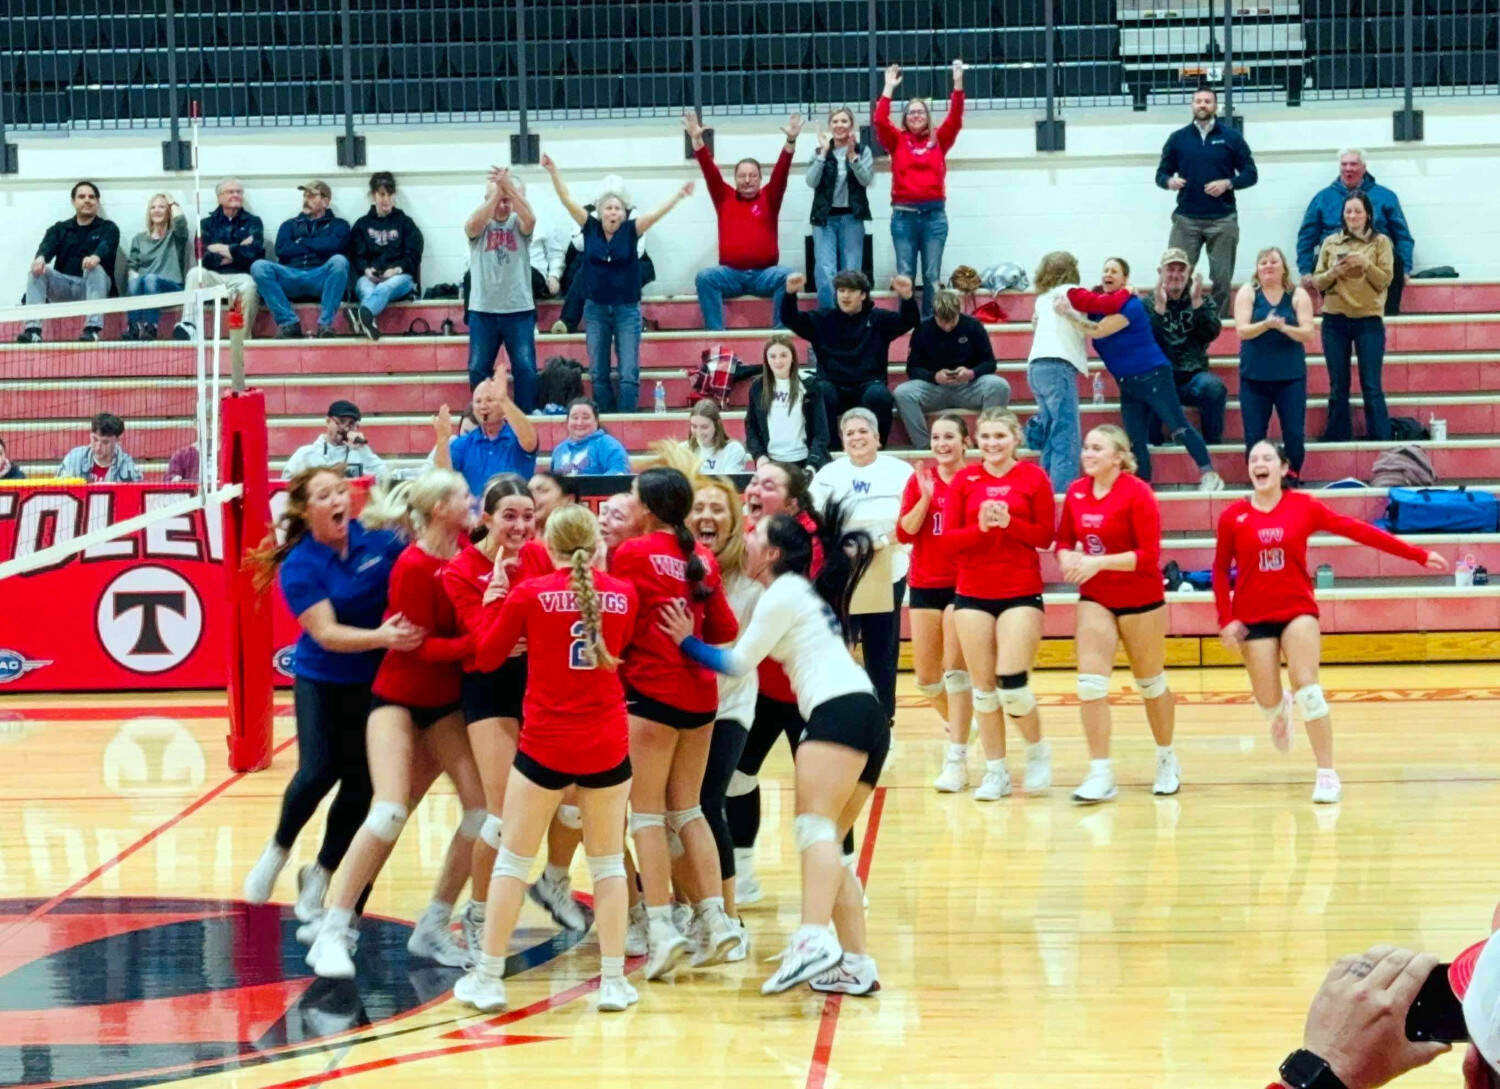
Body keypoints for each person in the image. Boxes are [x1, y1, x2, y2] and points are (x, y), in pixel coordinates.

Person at [659, 500, 886, 996]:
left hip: (837, 710)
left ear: (772, 552)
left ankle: (810, 940)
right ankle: (856, 963)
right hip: (865, 713)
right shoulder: (799, 591)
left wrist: (685, 643)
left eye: (757, 532)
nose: (749, 535)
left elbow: (739, 663)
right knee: (832, 846)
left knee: (813, 828)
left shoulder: (783, 591)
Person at [453, 505, 639, 1013]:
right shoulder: (624, 594)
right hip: (606, 744)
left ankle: (489, 978)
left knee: (513, 860)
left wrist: (493, 602)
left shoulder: (528, 593)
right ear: (595, 545)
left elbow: (488, 657)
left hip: (544, 746)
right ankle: (613, 983)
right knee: (608, 866)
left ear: (548, 547)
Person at [307, 470, 491, 978]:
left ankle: (434, 924)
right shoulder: (414, 565)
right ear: (439, 510)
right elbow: (418, 645)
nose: (471, 501)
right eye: (462, 496)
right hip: (398, 702)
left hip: (445, 707)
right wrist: (483, 643)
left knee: (481, 815)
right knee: (388, 813)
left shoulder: (467, 558)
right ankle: (331, 931)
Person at [1214, 441, 1447, 804]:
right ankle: (1279, 708)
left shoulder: (1303, 507)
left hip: (1296, 609)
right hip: (1252, 615)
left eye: (1266, 458)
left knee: (1309, 688)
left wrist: (1416, 555)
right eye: (1253, 459)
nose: (1259, 464)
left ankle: (1326, 772)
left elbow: (1357, 530)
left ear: (1283, 467)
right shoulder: (1233, 516)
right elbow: (1218, 569)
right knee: (1266, 700)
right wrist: (1225, 618)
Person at [241, 468, 420, 924]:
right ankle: (277, 850)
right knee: (319, 771)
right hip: (321, 678)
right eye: (325, 494)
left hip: (373, 682)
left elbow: (424, 549)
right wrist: (383, 637)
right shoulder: (301, 564)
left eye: (341, 490)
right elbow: (326, 633)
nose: (338, 499)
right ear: (306, 510)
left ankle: (320, 874)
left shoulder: (378, 542)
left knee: (361, 785)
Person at [609, 467, 740, 979]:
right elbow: (726, 629)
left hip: (651, 695)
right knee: (688, 810)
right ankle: (717, 919)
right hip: (701, 699)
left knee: (644, 815)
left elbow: (618, 619)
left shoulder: (633, 553)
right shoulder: (701, 557)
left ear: (647, 508)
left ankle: (662, 928)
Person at [441, 476, 572, 955]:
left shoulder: (540, 555)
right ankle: (477, 912)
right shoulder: (461, 570)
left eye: (527, 516)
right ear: (487, 519)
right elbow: (483, 646)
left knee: (577, 801)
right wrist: (497, 607)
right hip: (488, 690)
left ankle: (555, 881)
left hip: (540, 684)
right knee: (501, 817)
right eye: (509, 516)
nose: (520, 526)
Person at [1056, 426, 1180, 804]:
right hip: (1096, 597)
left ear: (1118, 456)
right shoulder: (1077, 491)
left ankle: (1166, 757)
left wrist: (1097, 562)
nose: (1088, 453)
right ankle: (1100, 772)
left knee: (1150, 683)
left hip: (1141, 598)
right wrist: (1068, 558)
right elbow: (1063, 539)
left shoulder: (1137, 492)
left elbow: (1148, 556)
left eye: (1098, 448)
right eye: (1086, 446)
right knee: (1089, 685)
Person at [727, 460, 825, 904]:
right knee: (738, 778)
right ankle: (743, 874)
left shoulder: (805, 543)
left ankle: (840, 876)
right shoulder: (744, 532)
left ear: (791, 501)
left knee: (821, 790)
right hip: (760, 688)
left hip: (805, 689)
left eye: (768, 484)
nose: (754, 488)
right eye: (752, 481)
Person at [947, 408, 1054, 801]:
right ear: (976, 440)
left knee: (1012, 683)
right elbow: (950, 542)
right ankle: (996, 772)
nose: (993, 444)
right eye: (986, 437)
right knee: (983, 689)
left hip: (1020, 591)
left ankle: (1038, 751)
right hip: (972, 591)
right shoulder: (964, 480)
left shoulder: (1033, 478)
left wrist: (1010, 523)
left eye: (1000, 437)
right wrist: (982, 527)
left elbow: (1045, 536)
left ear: (1016, 438)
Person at [540, 155, 693, 413]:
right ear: (599, 212)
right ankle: (607, 419)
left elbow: (656, 214)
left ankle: (627, 417)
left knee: (628, 371)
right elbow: (566, 199)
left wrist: (678, 196)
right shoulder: (588, 227)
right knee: (598, 371)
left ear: (625, 212)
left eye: (618, 208)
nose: (613, 212)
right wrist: (553, 170)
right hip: (596, 310)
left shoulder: (632, 229)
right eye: (608, 208)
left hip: (627, 311)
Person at [1067, 258, 1224, 491]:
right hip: (1127, 383)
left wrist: (1066, 314)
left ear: (1124, 280)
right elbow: (1081, 312)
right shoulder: (1097, 309)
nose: (1108, 274)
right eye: (1105, 269)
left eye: (1114, 271)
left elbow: (1099, 331)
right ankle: (1143, 486)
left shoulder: (1132, 304)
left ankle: (1210, 475)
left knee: (1179, 427)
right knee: (1134, 439)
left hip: (1153, 376)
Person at [687, 474, 759, 958]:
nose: (708, 517)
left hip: (729, 704)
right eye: (700, 508)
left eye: (719, 509)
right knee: (671, 811)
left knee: (708, 802)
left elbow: (735, 655)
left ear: (733, 522)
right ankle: (688, 909)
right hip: (678, 707)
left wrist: (682, 641)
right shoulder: (672, 565)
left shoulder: (749, 575)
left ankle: (728, 918)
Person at [810, 409, 914, 723]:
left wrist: (880, 543)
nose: (856, 437)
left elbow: (911, 519)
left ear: (877, 437)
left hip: (889, 567)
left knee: (882, 648)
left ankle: (884, 720)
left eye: (863, 431)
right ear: (842, 440)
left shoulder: (900, 471)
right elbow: (816, 522)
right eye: (850, 433)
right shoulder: (829, 475)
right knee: (840, 645)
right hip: (843, 571)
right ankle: (839, 716)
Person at [896, 414, 975, 793]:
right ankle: (963, 724)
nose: (941, 443)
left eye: (949, 437)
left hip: (964, 583)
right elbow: (904, 532)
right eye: (936, 437)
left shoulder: (975, 480)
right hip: (925, 582)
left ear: (965, 441)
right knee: (927, 679)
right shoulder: (918, 480)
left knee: (955, 673)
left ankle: (956, 757)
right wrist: (926, 498)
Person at [685, 107, 800, 330]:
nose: (747, 180)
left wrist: (791, 140)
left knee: (786, 275)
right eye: (742, 176)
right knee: (705, 277)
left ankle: (779, 337)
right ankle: (717, 338)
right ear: (735, 178)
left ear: (760, 179)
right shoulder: (723, 196)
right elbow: (710, 171)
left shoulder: (770, 197)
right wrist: (697, 141)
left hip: (765, 275)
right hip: (730, 275)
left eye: (753, 175)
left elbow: (781, 172)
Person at [781, 270, 918, 446]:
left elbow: (909, 320)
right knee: (820, 392)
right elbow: (790, 319)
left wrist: (907, 297)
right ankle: (830, 448)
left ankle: (877, 445)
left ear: (863, 295)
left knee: (880, 397)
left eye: (851, 291)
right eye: (841, 290)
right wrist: (790, 294)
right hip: (832, 384)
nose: (845, 295)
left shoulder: (878, 319)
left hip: (868, 384)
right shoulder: (823, 319)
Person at [875, 61, 966, 319]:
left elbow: (956, 118)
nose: (916, 116)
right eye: (911, 112)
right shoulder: (897, 140)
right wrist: (888, 88)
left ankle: (929, 325)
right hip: (903, 217)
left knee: (932, 276)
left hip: (934, 217)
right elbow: (880, 121)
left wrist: (957, 84)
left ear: (927, 117)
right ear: (905, 118)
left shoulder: (940, 140)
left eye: (920, 112)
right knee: (905, 274)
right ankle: (906, 321)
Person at [1155, 86, 1257, 314]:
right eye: (1198, 101)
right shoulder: (1178, 139)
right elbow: (1160, 175)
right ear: (1192, 105)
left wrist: (1228, 183)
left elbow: (1251, 174)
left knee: (1221, 277)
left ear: (1216, 106)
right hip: (1186, 219)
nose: (1203, 105)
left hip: (1223, 219)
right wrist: (1169, 182)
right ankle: (1176, 319)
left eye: (1207, 101)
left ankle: (1216, 324)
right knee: (1175, 274)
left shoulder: (1232, 137)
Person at [1312, 191, 1395, 443]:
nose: (1353, 216)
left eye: (1358, 211)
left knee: (1371, 384)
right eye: (1348, 211)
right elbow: (1317, 280)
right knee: (1338, 384)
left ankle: (1380, 436)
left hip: (1369, 320)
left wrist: (1365, 264)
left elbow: (1385, 281)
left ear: (1368, 214)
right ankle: (1337, 435)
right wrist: (1335, 271)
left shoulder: (1381, 242)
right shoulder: (1330, 242)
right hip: (1334, 320)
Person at [1296, 148, 1415, 316]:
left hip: (1376, 260)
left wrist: (1406, 268)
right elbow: (1306, 237)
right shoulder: (1322, 198)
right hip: (1336, 261)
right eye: (1344, 164)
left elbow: (1402, 236)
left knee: (1394, 262)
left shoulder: (1386, 196)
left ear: (1364, 168)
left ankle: (1386, 317)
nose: (1348, 168)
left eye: (1353, 164)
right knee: (1320, 264)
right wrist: (1305, 270)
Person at [1234, 247, 1315, 485]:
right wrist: (1266, 325)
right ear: (1257, 269)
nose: (1268, 266)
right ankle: (1258, 477)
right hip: (1254, 377)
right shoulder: (1248, 292)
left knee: (1293, 434)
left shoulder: (1297, 294)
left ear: (1283, 267)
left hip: (1290, 377)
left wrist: (1283, 328)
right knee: (1254, 434)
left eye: (1273, 262)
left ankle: (1292, 475)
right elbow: (1242, 330)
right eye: (1263, 263)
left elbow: (1307, 333)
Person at [894, 288, 1010, 446]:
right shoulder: (923, 329)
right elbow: (912, 368)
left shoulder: (973, 326)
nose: (947, 326)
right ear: (934, 314)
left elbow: (990, 363)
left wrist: (971, 373)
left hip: (968, 387)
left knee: (999, 386)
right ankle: (923, 445)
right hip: (934, 388)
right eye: (942, 321)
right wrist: (933, 376)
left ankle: (985, 439)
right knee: (902, 393)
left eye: (952, 321)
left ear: (959, 313)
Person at [465, 167, 539, 407]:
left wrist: (509, 189)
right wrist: (498, 193)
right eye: (498, 199)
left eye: (507, 200)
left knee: (525, 369)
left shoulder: (519, 223)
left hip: (518, 310)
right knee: (478, 369)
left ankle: (525, 419)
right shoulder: (480, 224)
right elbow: (471, 226)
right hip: (483, 310)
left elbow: (531, 219)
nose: (503, 205)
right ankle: (484, 416)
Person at [19, 181, 120, 343]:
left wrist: (96, 257)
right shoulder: (60, 228)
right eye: (82, 196)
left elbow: (107, 245)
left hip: (92, 288)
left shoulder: (108, 228)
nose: (87, 200)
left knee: (95, 270)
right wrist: (40, 258)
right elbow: (47, 246)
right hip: (64, 287)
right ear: (73, 201)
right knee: (36, 271)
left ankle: (92, 330)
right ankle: (33, 331)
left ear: (97, 202)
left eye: (91, 197)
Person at [1145, 247, 1226, 445]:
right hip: (1161, 378)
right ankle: (1153, 445)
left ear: (1189, 273)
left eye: (1181, 270)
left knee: (1214, 387)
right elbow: (1147, 343)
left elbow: (1211, 333)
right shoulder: (1147, 303)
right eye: (1170, 269)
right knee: (1144, 388)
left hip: (1192, 378)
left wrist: (1198, 304)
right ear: (1160, 272)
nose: (1175, 275)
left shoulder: (1202, 299)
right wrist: (1159, 310)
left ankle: (1211, 444)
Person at [251, 181, 351, 339]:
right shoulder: (288, 225)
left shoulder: (339, 225)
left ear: (325, 201)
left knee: (340, 261)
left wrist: (301, 242)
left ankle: (325, 325)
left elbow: (336, 246)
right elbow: (282, 249)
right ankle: (289, 323)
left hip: (321, 277)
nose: (306, 199)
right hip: (291, 276)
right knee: (259, 267)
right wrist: (319, 244)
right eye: (305, 195)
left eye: (312, 196)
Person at [1027, 251, 1091, 488]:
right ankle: (1063, 497)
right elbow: (1087, 325)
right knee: (1066, 436)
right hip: (1058, 365)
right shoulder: (1073, 293)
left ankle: (1046, 492)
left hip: (1036, 366)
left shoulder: (1041, 299)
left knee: (1049, 436)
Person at [806, 106, 875, 309]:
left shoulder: (863, 151)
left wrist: (853, 158)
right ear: (830, 125)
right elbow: (811, 181)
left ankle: (851, 314)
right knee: (826, 271)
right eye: (835, 121)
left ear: (851, 125)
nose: (839, 125)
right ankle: (829, 314)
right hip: (824, 219)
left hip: (852, 218)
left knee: (851, 271)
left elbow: (865, 180)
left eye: (844, 121)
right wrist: (822, 156)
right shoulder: (820, 151)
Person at [179, 177, 263, 339]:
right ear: (219, 197)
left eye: (239, 192)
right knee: (195, 273)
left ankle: (239, 338)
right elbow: (202, 256)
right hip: (213, 275)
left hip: (240, 276)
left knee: (249, 286)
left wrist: (220, 248)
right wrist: (239, 249)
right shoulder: (205, 224)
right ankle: (189, 329)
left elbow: (253, 254)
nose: (236, 195)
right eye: (231, 192)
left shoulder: (253, 222)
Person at [346, 171, 423, 341]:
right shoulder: (362, 225)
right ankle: (368, 321)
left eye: (389, 194)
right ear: (373, 196)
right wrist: (366, 270)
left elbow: (414, 253)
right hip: (369, 276)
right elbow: (355, 255)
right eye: (381, 194)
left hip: (400, 278)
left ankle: (362, 313)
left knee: (384, 288)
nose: (386, 198)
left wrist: (396, 270)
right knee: (366, 288)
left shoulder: (406, 223)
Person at [430, 377, 539, 495]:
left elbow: (530, 440)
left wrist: (503, 399)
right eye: (478, 401)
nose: (483, 406)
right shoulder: (462, 444)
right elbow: (443, 477)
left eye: (490, 400)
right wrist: (442, 439)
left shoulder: (518, 437)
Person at [744, 334, 831, 470]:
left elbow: (821, 433)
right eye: (772, 356)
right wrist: (759, 456)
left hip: (804, 461)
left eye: (783, 355)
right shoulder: (758, 387)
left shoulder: (810, 385)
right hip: (771, 461)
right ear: (766, 360)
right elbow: (751, 427)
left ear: (792, 358)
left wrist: (812, 464)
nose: (778, 361)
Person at [122, 193, 189, 341]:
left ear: (169, 211)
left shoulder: (176, 236)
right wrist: (134, 282)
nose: (157, 210)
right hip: (144, 287)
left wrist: (171, 202)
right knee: (135, 280)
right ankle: (133, 326)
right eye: (153, 207)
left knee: (151, 279)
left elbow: (181, 222)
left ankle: (151, 326)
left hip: (172, 287)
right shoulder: (139, 239)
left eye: (162, 207)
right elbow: (132, 266)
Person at [283, 399, 388, 481]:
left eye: (351, 424)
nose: (345, 428)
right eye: (341, 421)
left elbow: (383, 476)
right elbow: (286, 485)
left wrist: (362, 450)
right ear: (328, 421)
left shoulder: (360, 454)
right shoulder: (305, 454)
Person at [550, 399, 632, 477]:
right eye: (575, 418)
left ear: (596, 420)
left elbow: (619, 475)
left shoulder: (609, 445)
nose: (580, 423)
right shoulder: (559, 450)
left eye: (586, 418)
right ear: (567, 421)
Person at [58, 412, 143, 482]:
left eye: (105, 442)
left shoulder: (129, 469)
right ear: (90, 435)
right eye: (95, 439)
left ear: (118, 440)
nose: (98, 447)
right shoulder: (74, 459)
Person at [685, 399, 749, 474]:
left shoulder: (733, 450)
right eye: (694, 426)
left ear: (717, 425)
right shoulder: (684, 449)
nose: (699, 432)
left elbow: (729, 483)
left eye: (704, 427)